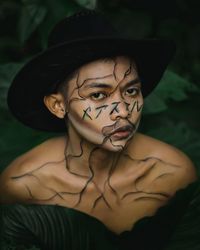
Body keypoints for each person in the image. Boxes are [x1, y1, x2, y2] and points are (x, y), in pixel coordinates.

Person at [0, 9, 199, 250]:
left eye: (131, 91)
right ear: (58, 105)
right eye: (98, 95)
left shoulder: (173, 174)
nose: (123, 111)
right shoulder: (23, 186)